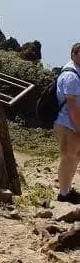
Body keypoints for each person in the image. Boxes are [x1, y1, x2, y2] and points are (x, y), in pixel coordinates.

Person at [57, 43, 80, 204]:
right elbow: (72, 106)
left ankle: (67, 190)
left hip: (71, 122)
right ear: (73, 54)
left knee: (74, 157)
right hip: (67, 122)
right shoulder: (71, 75)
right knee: (68, 156)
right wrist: (79, 127)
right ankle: (63, 194)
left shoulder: (76, 72)